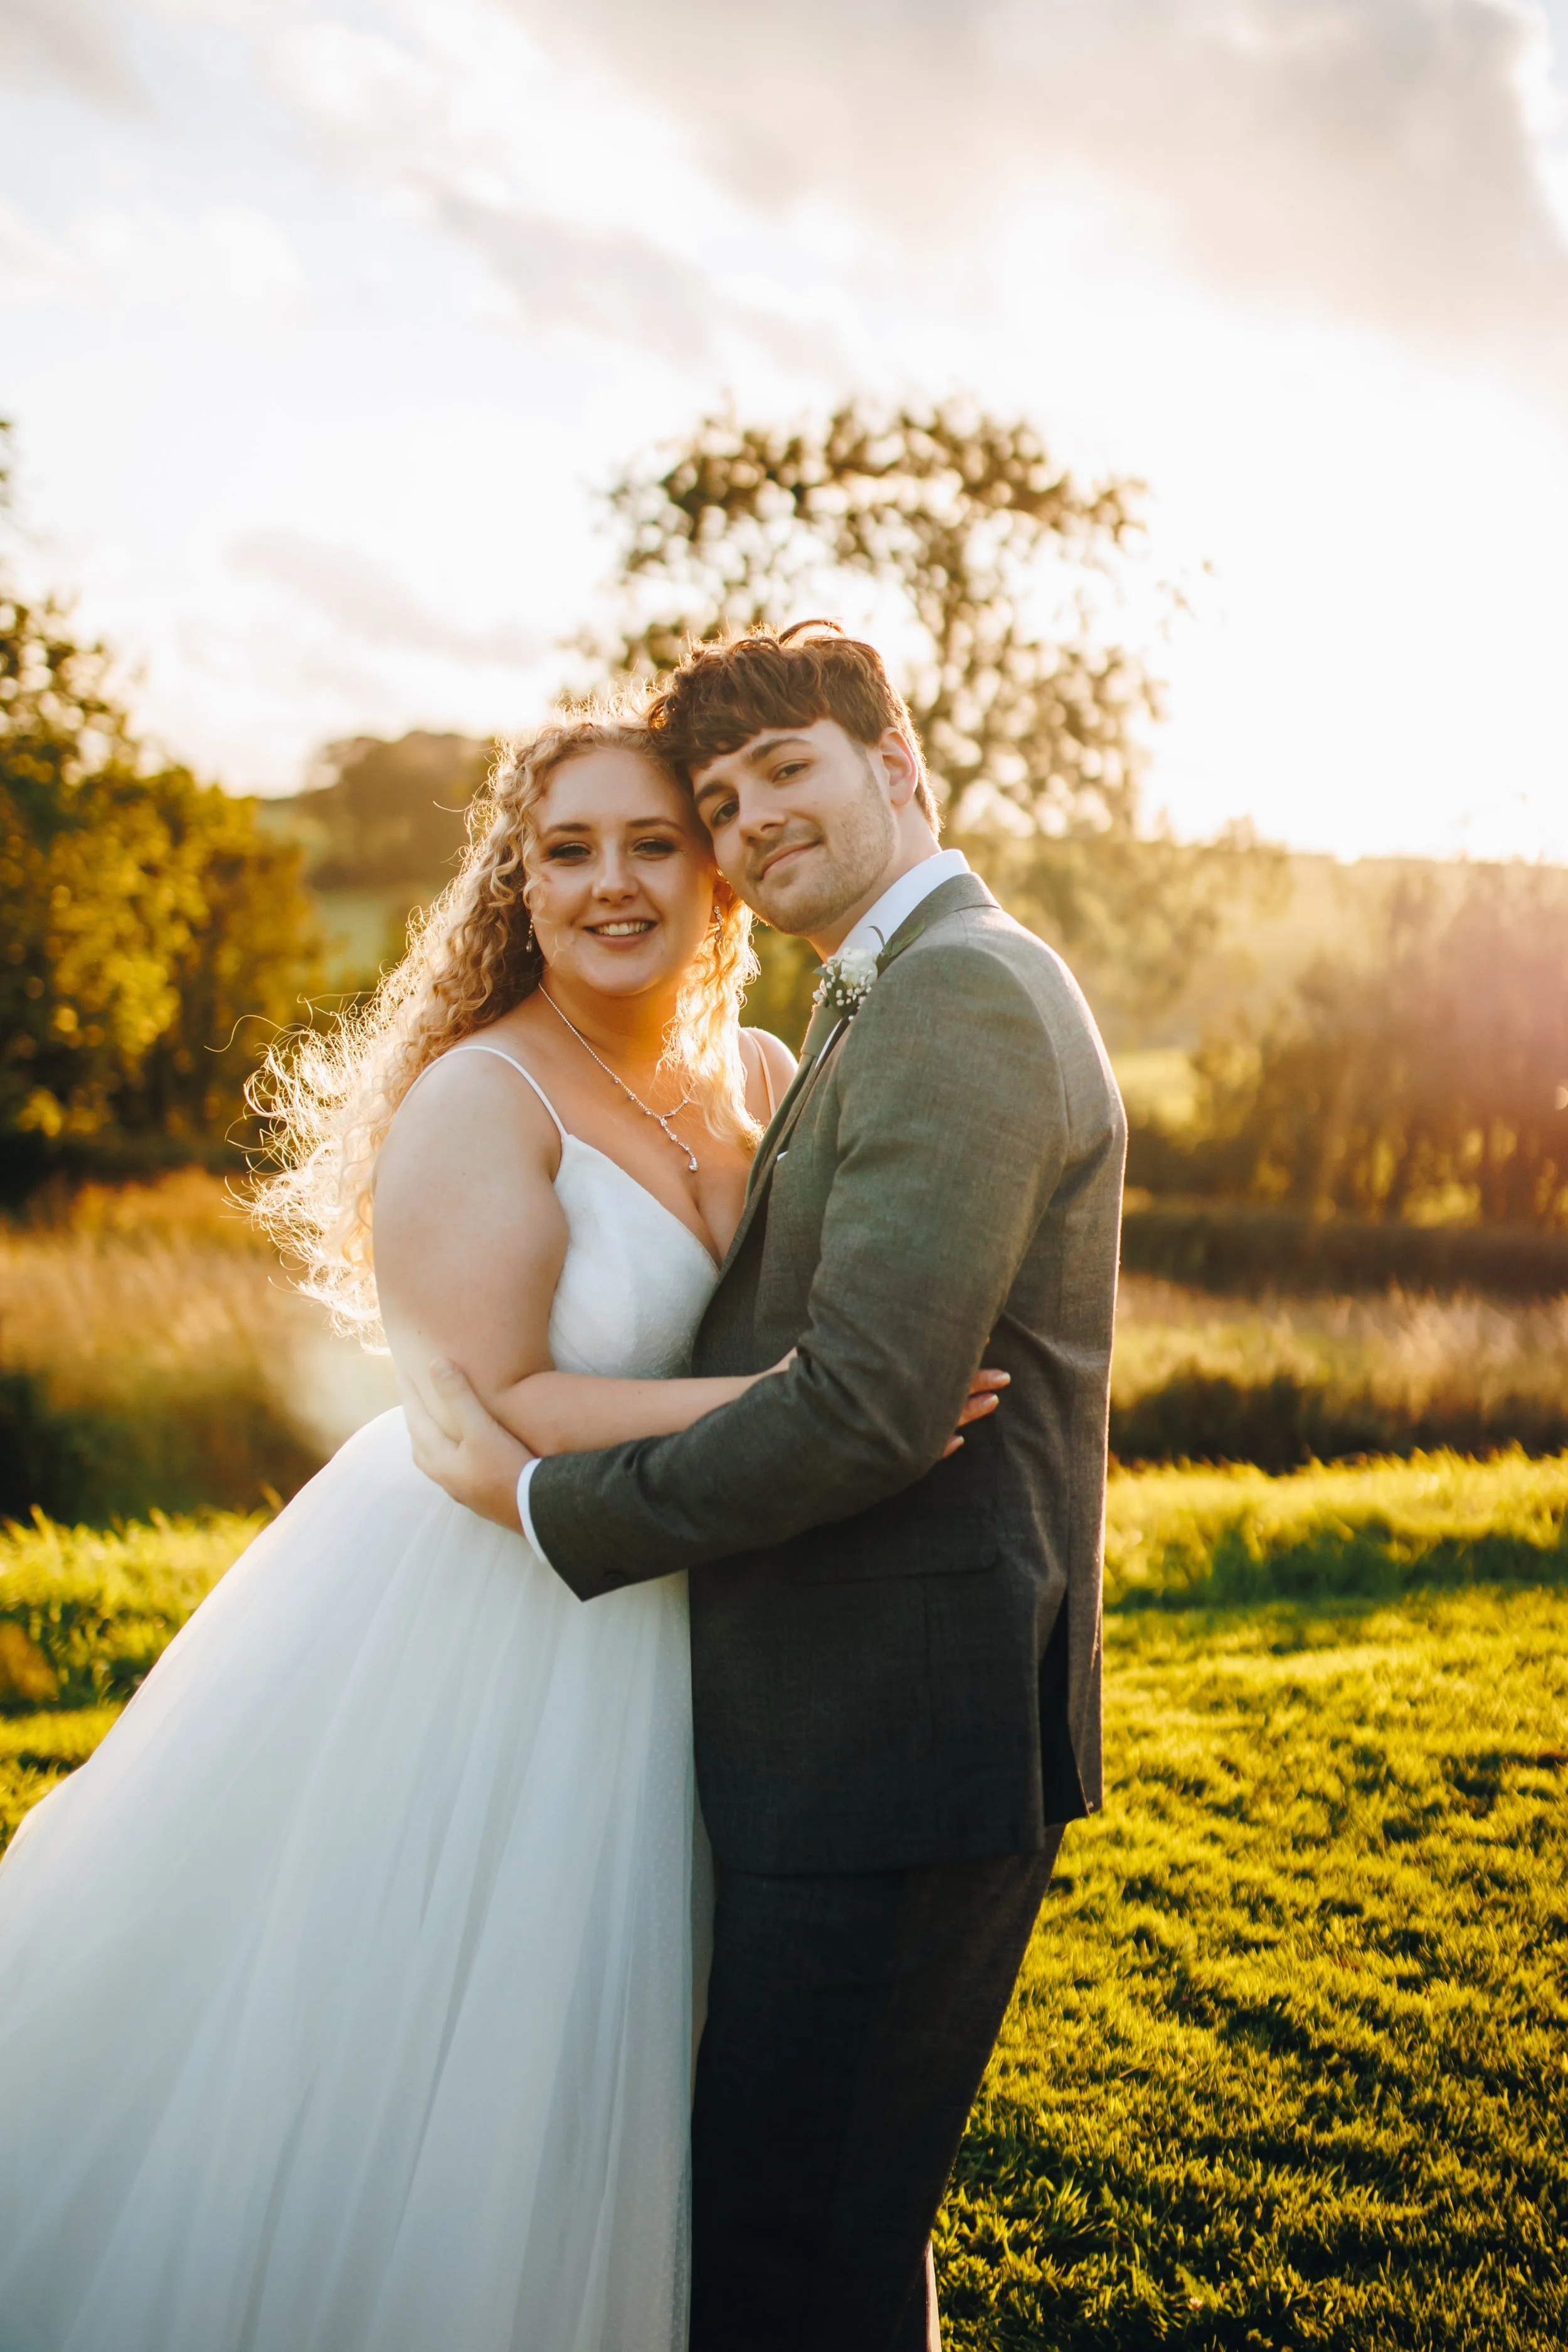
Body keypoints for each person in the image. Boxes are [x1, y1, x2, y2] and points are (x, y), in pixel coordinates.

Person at [0, 709, 999, 2352]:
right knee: (456, 2027)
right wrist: (820, 1400)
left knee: (682, 2051)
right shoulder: (484, 1092)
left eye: (652, 843)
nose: (613, 881)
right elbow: (498, 1400)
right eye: (567, 849)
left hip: (702, 1602)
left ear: (717, 874)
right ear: (514, 887)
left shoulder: (759, 1077)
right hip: (490, 1598)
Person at [408, 622, 1127, 2351]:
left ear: (898, 763)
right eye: (716, 802)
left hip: (893, 1729)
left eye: (780, 773)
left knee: (783, 2247)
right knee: (831, 2235)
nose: (746, 827)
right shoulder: (883, 991)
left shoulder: (953, 988)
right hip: (841, 1716)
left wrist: (535, 1502)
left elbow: (870, 1406)